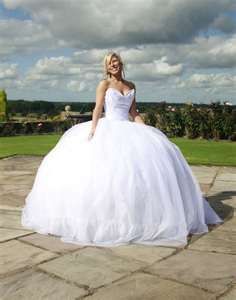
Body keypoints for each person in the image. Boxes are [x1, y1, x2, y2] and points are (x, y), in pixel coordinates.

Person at [21, 51, 223, 248]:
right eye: (110, 63)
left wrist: (147, 132)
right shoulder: (104, 84)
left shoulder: (131, 85)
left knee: (138, 174)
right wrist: (93, 129)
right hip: (108, 126)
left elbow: (133, 112)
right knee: (108, 177)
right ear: (106, 67)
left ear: (121, 64)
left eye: (116, 62)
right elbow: (98, 108)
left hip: (128, 128)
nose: (114, 65)